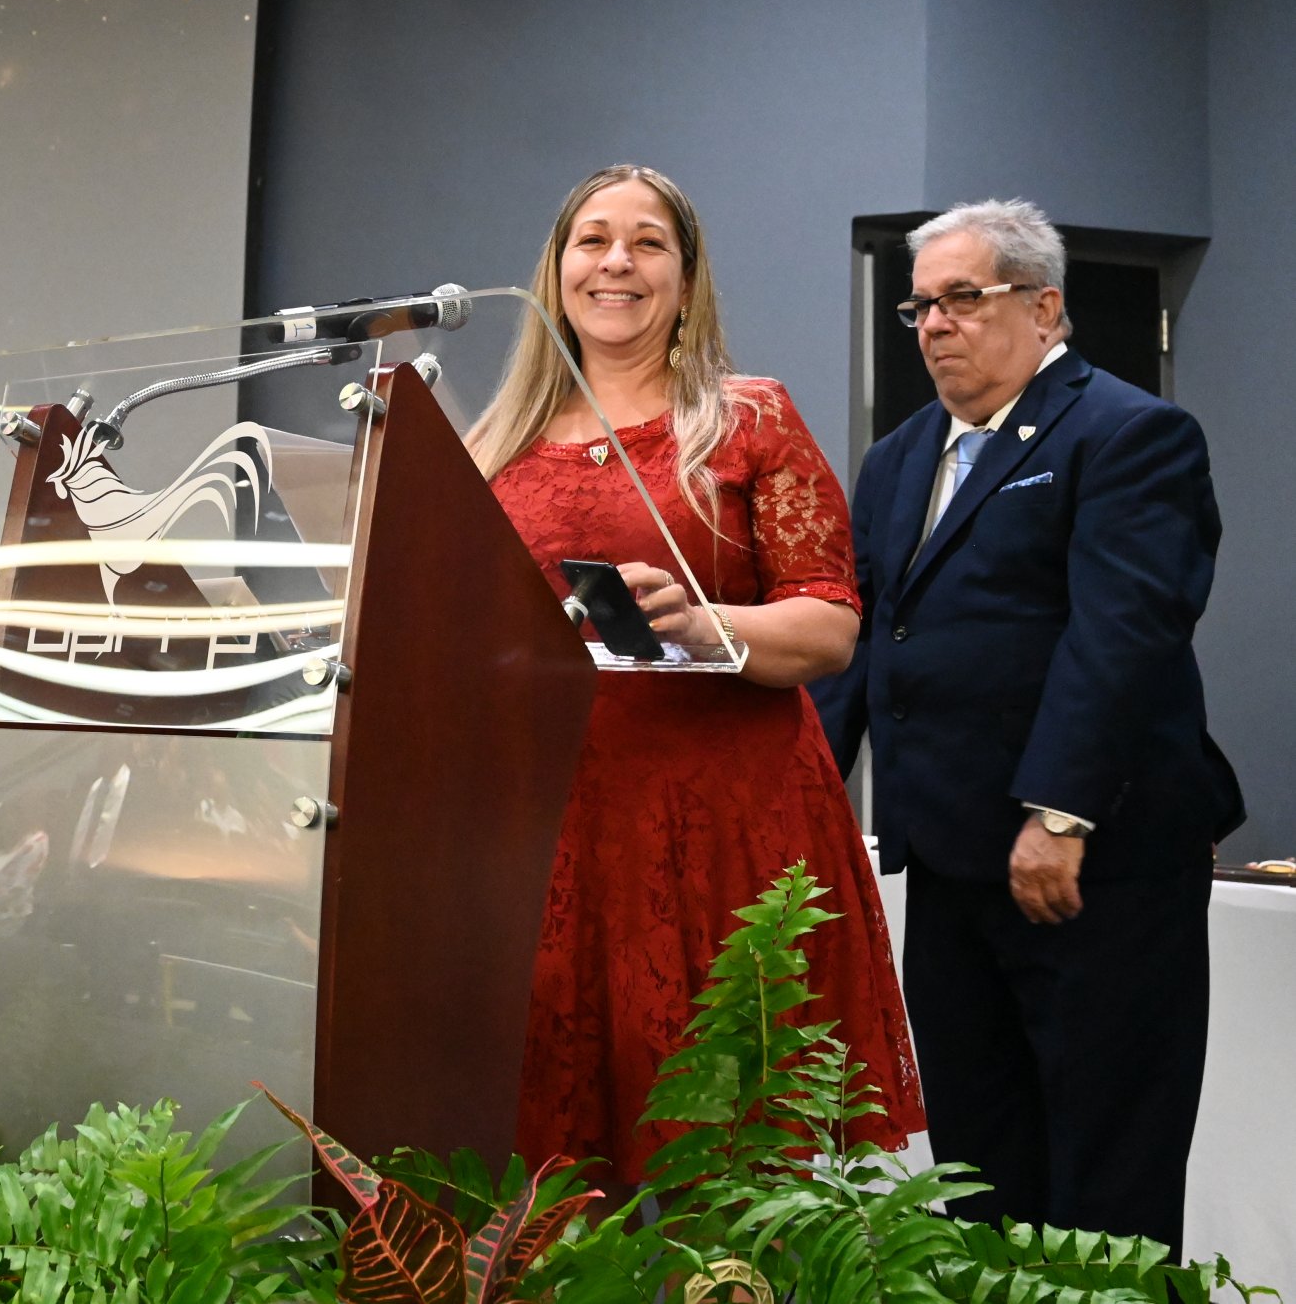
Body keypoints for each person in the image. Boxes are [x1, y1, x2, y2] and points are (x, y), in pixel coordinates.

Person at [474, 164, 924, 1183]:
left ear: (686, 279)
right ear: (555, 270)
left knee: (726, 1177)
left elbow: (830, 626)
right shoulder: (492, 445)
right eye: (592, 239)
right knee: (550, 1182)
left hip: (722, 833)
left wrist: (705, 622)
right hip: (549, 838)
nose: (616, 262)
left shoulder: (746, 418)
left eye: (648, 242)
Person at [812, 200, 1242, 1251]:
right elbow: (863, 639)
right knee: (976, 1162)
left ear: (1044, 308)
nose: (934, 324)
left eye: (963, 298)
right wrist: (807, 799)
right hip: (949, 861)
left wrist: (1058, 811)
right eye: (920, 305)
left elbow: (1121, 637)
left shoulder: (1128, 433)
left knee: (1106, 1171)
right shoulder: (898, 457)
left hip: (1092, 861)